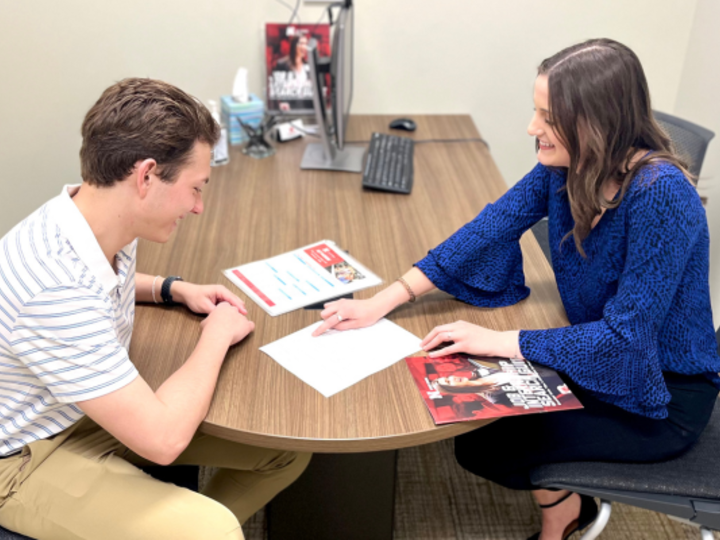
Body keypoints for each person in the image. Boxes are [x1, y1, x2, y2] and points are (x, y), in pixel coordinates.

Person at [312, 38, 720, 540]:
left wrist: (503, 341)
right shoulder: (565, 168)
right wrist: (385, 299)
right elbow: (491, 226)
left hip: (659, 392)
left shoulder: (661, 196)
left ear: (596, 121)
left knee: (487, 445)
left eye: (548, 118)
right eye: (536, 112)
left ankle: (565, 515)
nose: (533, 129)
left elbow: (625, 341)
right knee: (477, 431)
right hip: (594, 349)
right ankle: (568, 505)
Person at [0, 78, 310, 540]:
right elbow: (163, 441)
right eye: (196, 188)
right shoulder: (53, 287)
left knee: (284, 450)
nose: (198, 207)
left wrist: (172, 288)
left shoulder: (92, 217)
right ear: (145, 176)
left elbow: (97, 287)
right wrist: (216, 334)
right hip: (23, 458)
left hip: (77, 406)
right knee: (212, 531)